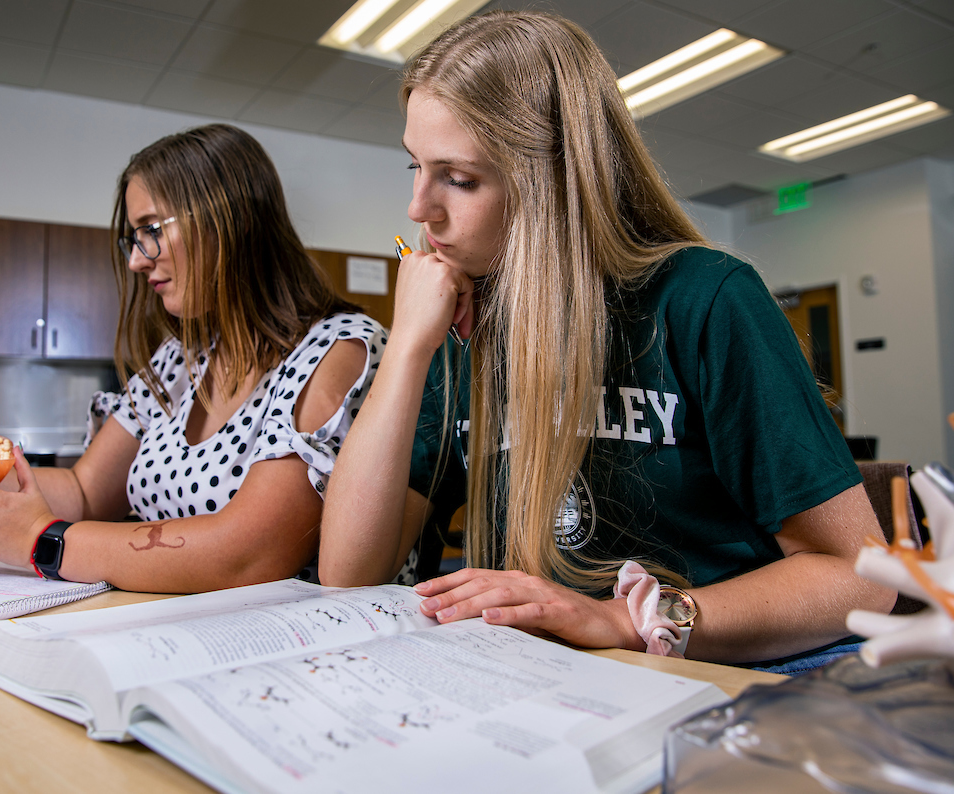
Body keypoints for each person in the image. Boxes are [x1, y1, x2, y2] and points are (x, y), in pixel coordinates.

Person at [319, 11, 896, 671]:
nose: (420, 208)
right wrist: (407, 350)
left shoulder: (706, 298)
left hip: (709, 681)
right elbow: (346, 573)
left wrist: (620, 618)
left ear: (553, 182)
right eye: (416, 167)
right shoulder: (460, 330)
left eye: (459, 178)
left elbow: (861, 578)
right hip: (540, 683)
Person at [0, 123, 388, 593]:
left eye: (152, 230)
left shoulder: (338, 348)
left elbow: (250, 554)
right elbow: (83, 492)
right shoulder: (179, 360)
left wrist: (42, 541)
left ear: (224, 220)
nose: (139, 260)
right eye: (134, 239)